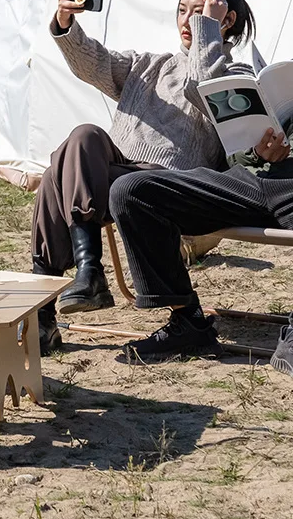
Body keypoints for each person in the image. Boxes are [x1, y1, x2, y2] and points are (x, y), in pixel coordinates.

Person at [33, 0, 256, 355]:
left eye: (198, 12)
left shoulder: (235, 77)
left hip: (168, 188)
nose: (187, 21)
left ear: (225, 20)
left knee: (58, 174)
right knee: (84, 136)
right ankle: (86, 274)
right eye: (182, 11)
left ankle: (44, 315)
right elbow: (95, 64)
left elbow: (202, 86)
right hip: (113, 178)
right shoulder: (148, 66)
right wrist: (66, 22)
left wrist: (208, 32)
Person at [109, 123, 293, 370]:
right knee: (131, 191)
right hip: (251, 178)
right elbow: (229, 156)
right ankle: (189, 323)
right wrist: (255, 153)